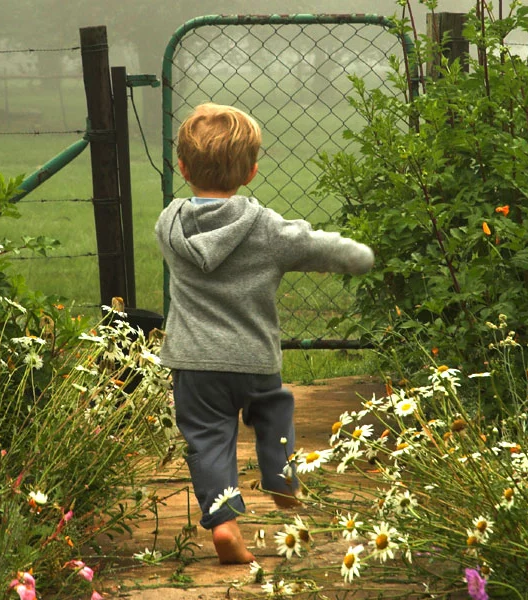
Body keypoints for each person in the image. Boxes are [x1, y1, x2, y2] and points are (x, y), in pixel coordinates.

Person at [155, 102, 374, 564]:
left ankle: (225, 523)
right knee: (275, 409)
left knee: (208, 440)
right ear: (252, 172)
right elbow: (318, 246)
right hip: (253, 358)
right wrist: (361, 256)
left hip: (193, 362)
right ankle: (281, 478)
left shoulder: (169, 224)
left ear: (182, 166)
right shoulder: (266, 227)